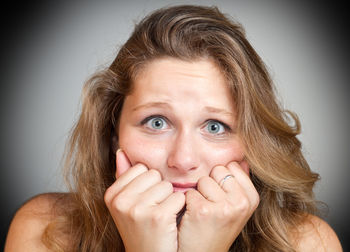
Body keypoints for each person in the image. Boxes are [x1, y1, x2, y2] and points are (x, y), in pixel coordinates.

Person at [5, 5, 342, 252]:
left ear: (252, 144)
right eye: (156, 122)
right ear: (113, 134)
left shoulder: (308, 243)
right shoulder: (45, 231)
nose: (183, 160)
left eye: (215, 126)